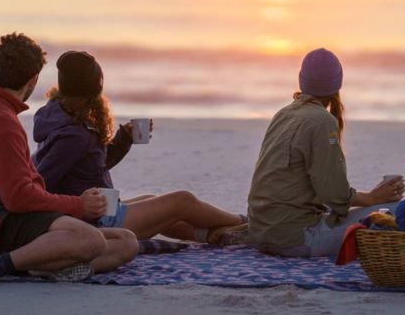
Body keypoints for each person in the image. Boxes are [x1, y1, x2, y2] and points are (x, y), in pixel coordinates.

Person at [0, 33, 138, 287]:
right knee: (91, 241)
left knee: (127, 242)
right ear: (32, 80)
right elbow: (18, 198)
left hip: (1, 228)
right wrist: (79, 206)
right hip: (2, 228)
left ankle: (42, 266)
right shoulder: (0, 121)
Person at [32, 50, 247, 244]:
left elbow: (93, 165)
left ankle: (214, 235)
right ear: (97, 86)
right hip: (94, 222)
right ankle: (247, 223)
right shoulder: (73, 135)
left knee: (153, 201)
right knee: (183, 201)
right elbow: (41, 183)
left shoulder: (59, 113)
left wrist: (124, 138)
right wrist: (79, 206)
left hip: (99, 210)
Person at [247, 48, 405, 257]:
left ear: (302, 80)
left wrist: (369, 197)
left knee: (372, 209)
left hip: (261, 234)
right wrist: (372, 198)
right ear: (337, 84)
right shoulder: (322, 121)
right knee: (395, 210)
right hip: (296, 240)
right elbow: (334, 195)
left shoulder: (284, 113)